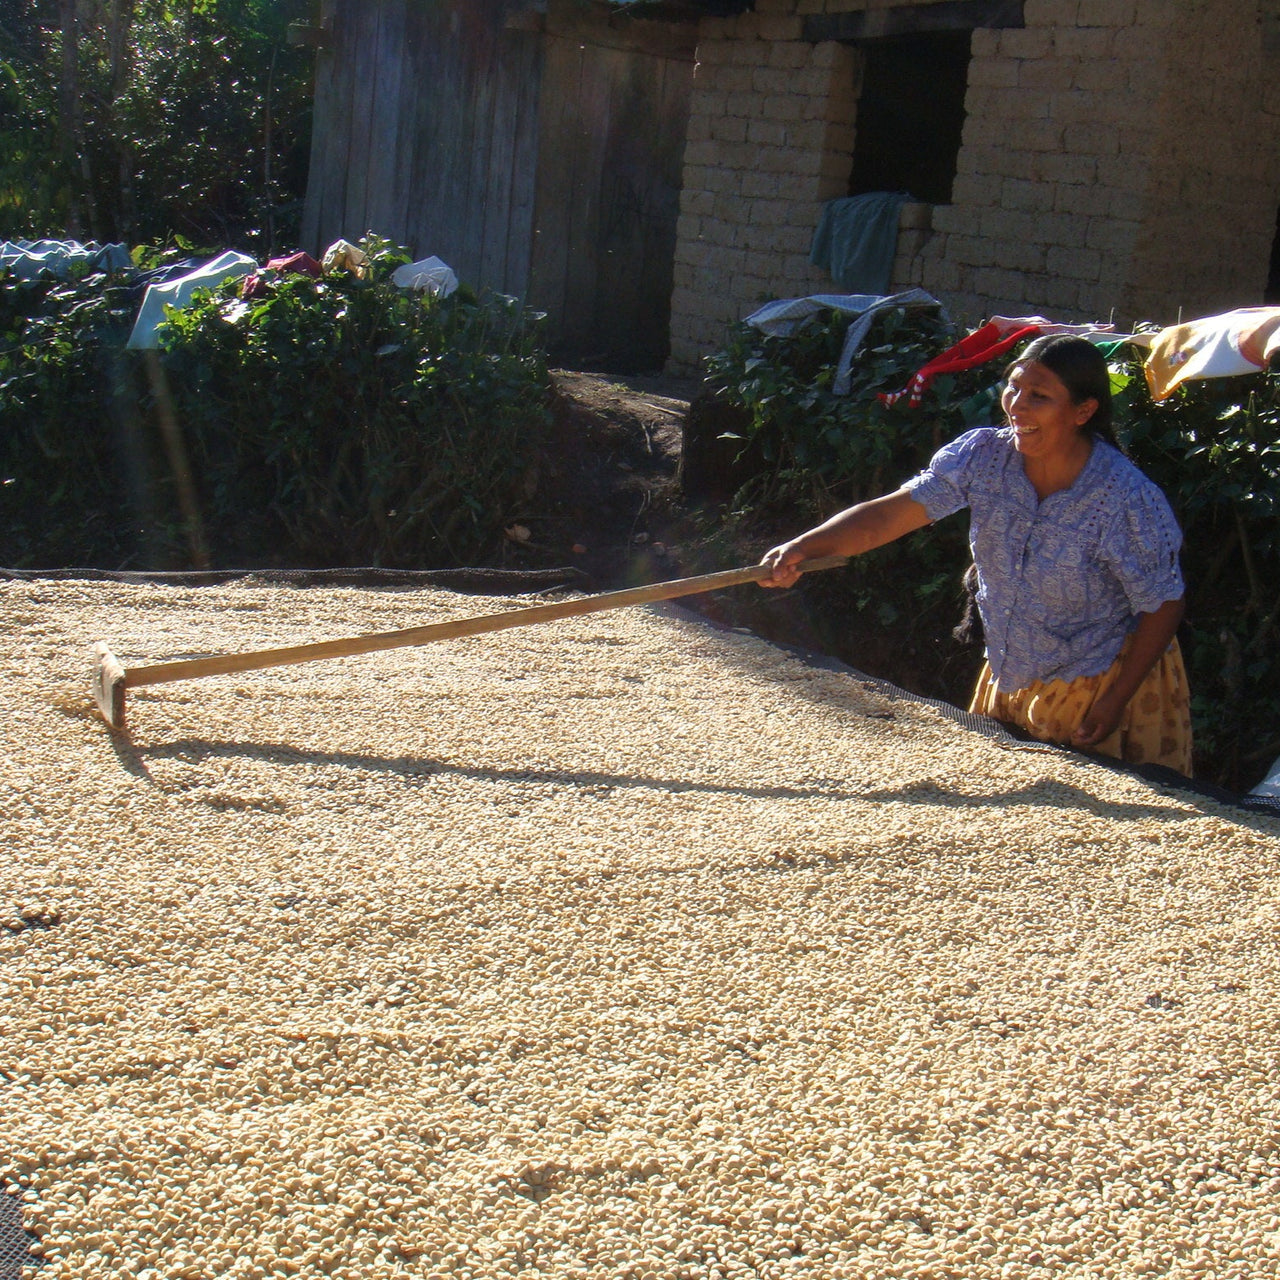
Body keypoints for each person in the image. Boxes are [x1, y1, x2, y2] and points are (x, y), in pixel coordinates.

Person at [759, 333, 1193, 775]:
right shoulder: (984, 457)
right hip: (1015, 668)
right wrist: (802, 548)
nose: (1017, 405)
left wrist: (1115, 700)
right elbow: (889, 517)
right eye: (1014, 387)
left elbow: (1162, 603)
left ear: (1083, 411)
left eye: (1039, 396)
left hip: (1103, 679)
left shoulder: (1124, 498)